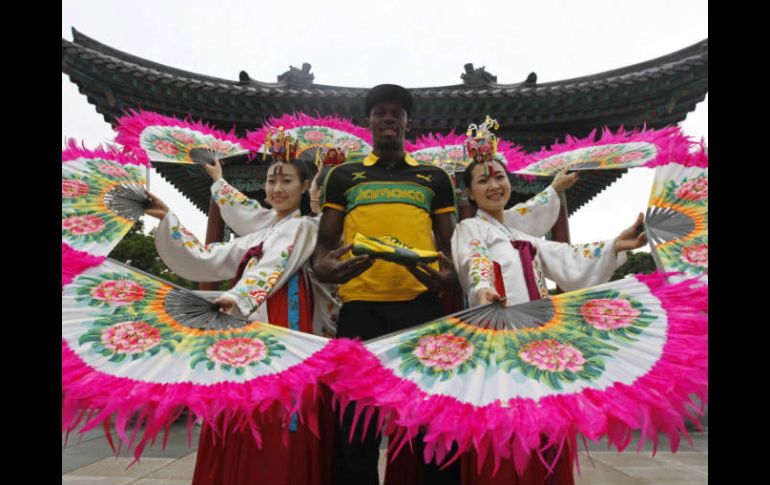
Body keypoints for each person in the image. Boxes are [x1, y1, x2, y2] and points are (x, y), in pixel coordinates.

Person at [144, 146, 337, 485]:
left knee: (276, 406)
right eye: (271, 180)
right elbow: (207, 255)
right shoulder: (260, 232)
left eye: (287, 181)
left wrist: (237, 296)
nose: (276, 189)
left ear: (306, 185)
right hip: (246, 316)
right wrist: (167, 216)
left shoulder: (304, 227)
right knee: (240, 402)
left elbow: (274, 267)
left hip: (282, 320)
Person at [451, 156, 647, 485]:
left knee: (547, 426)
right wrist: (483, 288)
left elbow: (566, 257)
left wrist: (614, 245)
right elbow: (475, 259)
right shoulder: (470, 227)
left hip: (540, 342)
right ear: (469, 193)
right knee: (507, 428)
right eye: (483, 181)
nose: (495, 185)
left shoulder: (520, 234)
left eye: (499, 177)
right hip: (501, 337)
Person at [312, 84, 461, 485]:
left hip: (423, 310)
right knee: (358, 427)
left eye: (397, 112)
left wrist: (453, 278)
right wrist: (325, 268)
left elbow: (453, 246)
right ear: (369, 122)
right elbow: (323, 247)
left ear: (407, 122)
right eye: (380, 112)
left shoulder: (434, 178)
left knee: (434, 424)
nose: (389, 118)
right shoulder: (344, 176)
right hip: (361, 309)